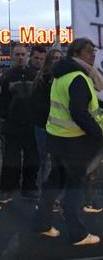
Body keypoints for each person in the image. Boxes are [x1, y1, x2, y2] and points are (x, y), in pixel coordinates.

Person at [32, 38, 103, 245]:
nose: (93, 54)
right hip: (74, 143)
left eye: (94, 50)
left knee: (54, 182)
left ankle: (42, 224)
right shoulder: (78, 78)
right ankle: (78, 234)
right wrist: (97, 132)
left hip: (57, 138)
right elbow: (79, 112)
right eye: (89, 51)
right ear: (77, 53)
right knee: (75, 187)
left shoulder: (60, 75)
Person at [0, 44, 39, 203]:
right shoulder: (6, 76)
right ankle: (7, 189)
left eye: (23, 54)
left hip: (31, 124)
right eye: (18, 54)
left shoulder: (34, 75)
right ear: (12, 56)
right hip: (12, 124)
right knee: (11, 159)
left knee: (32, 158)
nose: (21, 57)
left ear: (27, 55)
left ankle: (29, 188)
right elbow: (2, 101)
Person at [31, 48, 63, 186]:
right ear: (49, 60)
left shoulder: (62, 78)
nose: (57, 60)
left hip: (59, 126)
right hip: (44, 125)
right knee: (45, 160)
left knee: (57, 161)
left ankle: (52, 194)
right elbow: (38, 104)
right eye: (54, 58)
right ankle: (44, 193)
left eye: (60, 58)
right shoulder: (43, 78)